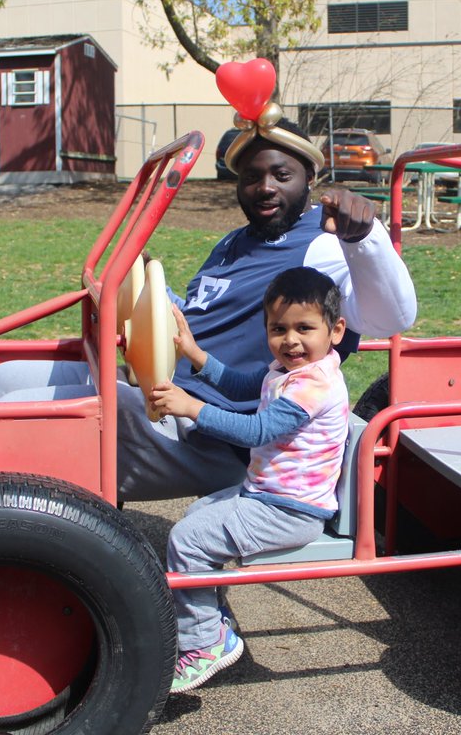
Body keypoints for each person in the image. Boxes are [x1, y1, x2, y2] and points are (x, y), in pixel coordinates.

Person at [0, 106, 416, 503]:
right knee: (4, 382)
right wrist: (152, 293)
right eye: (251, 177)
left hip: (206, 431)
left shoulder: (322, 248)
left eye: (282, 175)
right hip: (155, 384)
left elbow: (391, 317)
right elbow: (198, 314)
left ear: (309, 180)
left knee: (30, 420)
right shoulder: (232, 243)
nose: (264, 188)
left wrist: (363, 240)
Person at [153, 266, 350, 692]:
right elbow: (244, 384)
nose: (290, 340)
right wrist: (194, 354)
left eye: (304, 328)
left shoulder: (312, 386)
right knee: (197, 514)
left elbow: (255, 432)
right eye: (278, 329)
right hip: (268, 494)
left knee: (187, 540)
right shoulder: (286, 371)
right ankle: (212, 619)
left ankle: (205, 644)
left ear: (335, 330)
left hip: (290, 510)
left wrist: (191, 408)